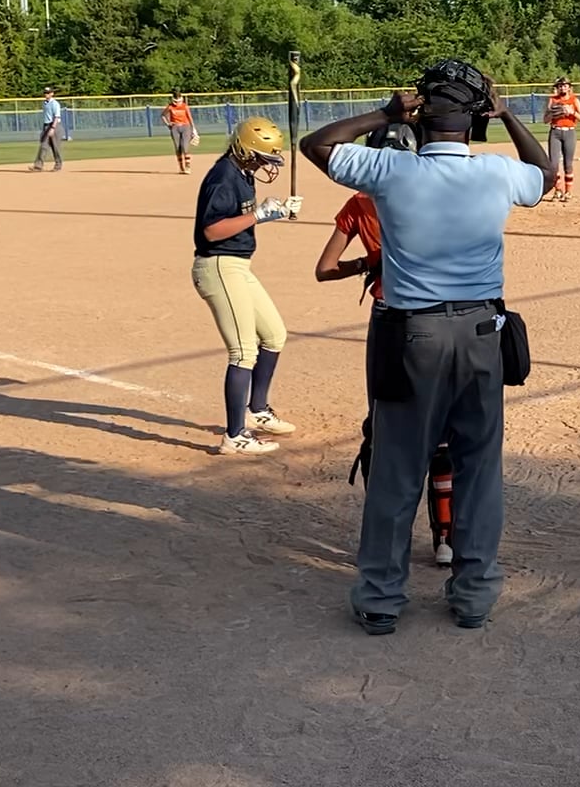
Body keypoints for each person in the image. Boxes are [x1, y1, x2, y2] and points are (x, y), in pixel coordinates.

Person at [300, 58, 553, 636]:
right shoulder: (496, 173)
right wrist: (508, 115)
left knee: (397, 467)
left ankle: (381, 598)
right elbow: (543, 173)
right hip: (482, 332)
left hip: (411, 334)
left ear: (419, 115)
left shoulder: (391, 170)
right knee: (477, 467)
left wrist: (385, 113)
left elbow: (317, 144)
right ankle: (473, 595)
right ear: (476, 117)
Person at [315, 123, 458, 567]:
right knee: (443, 431)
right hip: (437, 316)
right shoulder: (434, 193)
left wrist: (369, 261)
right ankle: (446, 538)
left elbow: (325, 269)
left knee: (385, 425)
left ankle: (386, 540)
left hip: (388, 320)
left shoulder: (358, 203)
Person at [192, 116, 304, 455]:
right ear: (243, 149)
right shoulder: (223, 178)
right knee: (243, 351)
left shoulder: (242, 173)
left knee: (274, 334)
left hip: (238, 266)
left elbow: (239, 220)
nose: (265, 165)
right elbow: (211, 231)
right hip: (218, 266)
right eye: (261, 158)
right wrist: (259, 216)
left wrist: (277, 211)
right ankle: (235, 435)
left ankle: (257, 410)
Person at [544, 77, 580, 201]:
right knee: (553, 164)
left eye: (565, 85)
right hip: (555, 132)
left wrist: (572, 112)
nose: (562, 88)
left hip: (569, 132)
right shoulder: (553, 100)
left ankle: (568, 192)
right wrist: (553, 113)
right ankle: (558, 190)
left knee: (568, 164)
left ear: (569, 87)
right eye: (560, 86)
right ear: (557, 88)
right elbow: (545, 120)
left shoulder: (574, 100)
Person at [161, 92, 197, 174]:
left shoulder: (185, 106)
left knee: (185, 146)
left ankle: (188, 166)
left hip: (185, 126)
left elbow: (190, 118)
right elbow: (163, 115)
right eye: (176, 101)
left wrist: (194, 129)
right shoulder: (170, 107)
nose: (177, 103)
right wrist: (168, 123)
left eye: (179, 101)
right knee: (178, 148)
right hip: (175, 127)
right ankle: (181, 167)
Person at [31, 85, 64, 172]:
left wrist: (52, 128)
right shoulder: (45, 103)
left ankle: (58, 165)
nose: (46, 94)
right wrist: (45, 129)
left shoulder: (55, 103)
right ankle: (38, 166)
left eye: (48, 93)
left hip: (54, 126)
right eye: (45, 93)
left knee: (55, 147)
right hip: (46, 126)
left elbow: (56, 116)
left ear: (52, 94)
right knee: (43, 146)